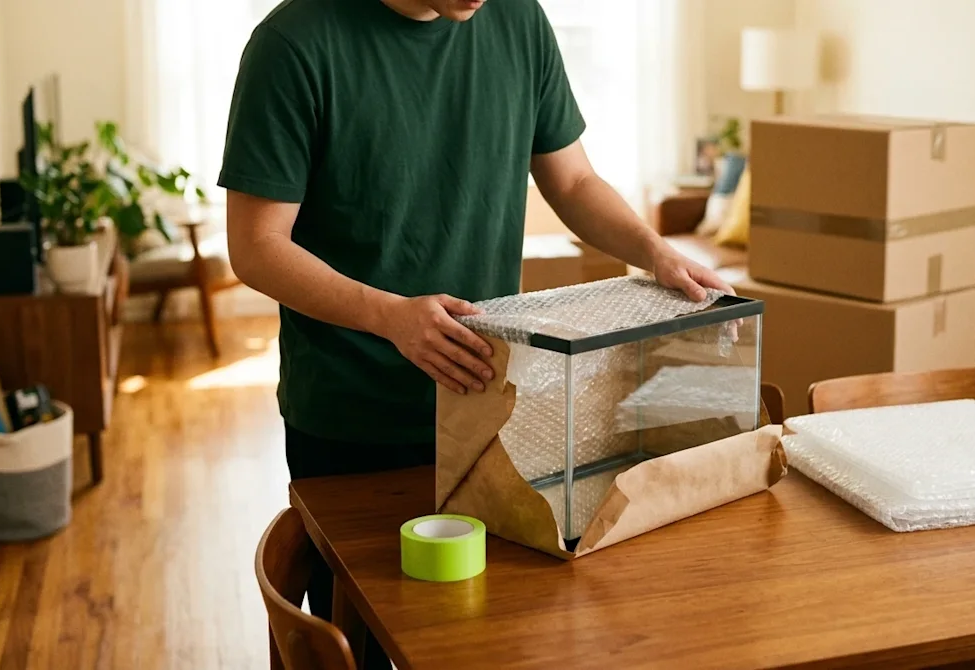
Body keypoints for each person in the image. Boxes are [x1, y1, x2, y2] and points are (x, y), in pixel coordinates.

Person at [220, 0, 729, 664]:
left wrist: (652, 251)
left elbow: (573, 179)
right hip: (355, 419)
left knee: (492, 639)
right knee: (367, 644)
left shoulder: (518, 19)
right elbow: (256, 246)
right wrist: (389, 316)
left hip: (490, 406)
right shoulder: (293, 44)